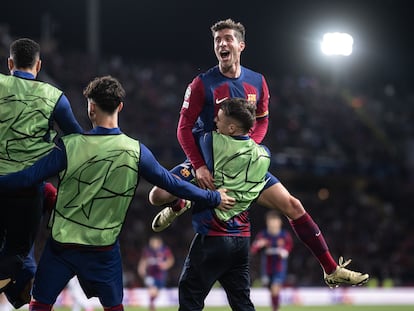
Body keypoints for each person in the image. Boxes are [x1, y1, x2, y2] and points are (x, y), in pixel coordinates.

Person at [149, 18, 369, 288]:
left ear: (241, 45)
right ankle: (179, 203)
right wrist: (200, 167)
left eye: (228, 39)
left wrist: (248, 147)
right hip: (206, 163)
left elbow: (262, 119)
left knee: (294, 206)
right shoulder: (201, 84)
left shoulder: (258, 82)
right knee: (157, 195)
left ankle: (330, 268)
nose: (222, 44)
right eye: (217, 40)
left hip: (243, 165)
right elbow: (183, 128)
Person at [0, 75, 235, 311]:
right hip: (103, 252)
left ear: (91, 108)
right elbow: (173, 184)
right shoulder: (136, 151)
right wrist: (213, 197)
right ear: (120, 106)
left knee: (39, 306)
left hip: (62, 248)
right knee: (114, 308)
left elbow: (27, 178)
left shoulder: (69, 145)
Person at [150, 98, 271, 310]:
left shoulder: (210, 143)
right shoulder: (263, 155)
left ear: (232, 128)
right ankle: (183, 202)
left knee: (190, 299)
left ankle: (184, 201)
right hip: (241, 240)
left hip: (214, 237)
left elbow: (187, 131)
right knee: (242, 304)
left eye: (220, 118)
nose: (215, 120)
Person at [0, 38, 83, 308]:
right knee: (17, 252)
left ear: (10, 63)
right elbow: (76, 141)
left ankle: (25, 290)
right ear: (39, 66)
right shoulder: (54, 97)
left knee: (21, 267)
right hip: (27, 192)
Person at [250, 210, 293, 311]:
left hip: (279, 266)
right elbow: (253, 249)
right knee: (271, 289)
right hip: (267, 267)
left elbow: (289, 245)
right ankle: (275, 306)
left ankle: (275, 309)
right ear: (267, 222)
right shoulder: (263, 235)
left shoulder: (284, 235)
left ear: (279, 222)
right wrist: (259, 245)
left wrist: (285, 251)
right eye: (271, 221)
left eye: (275, 221)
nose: (273, 224)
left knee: (275, 288)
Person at [138, 236, 174, 311]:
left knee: (157, 292)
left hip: (160, 275)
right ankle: (151, 306)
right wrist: (141, 268)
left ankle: (152, 303)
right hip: (150, 274)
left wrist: (165, 265)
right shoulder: (147, 251)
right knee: (152, 290)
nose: (152, 244)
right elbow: (143, 260)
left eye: (153, 242)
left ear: (159, 243)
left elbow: (171, 260)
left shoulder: (165, 250)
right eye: (151, 242)